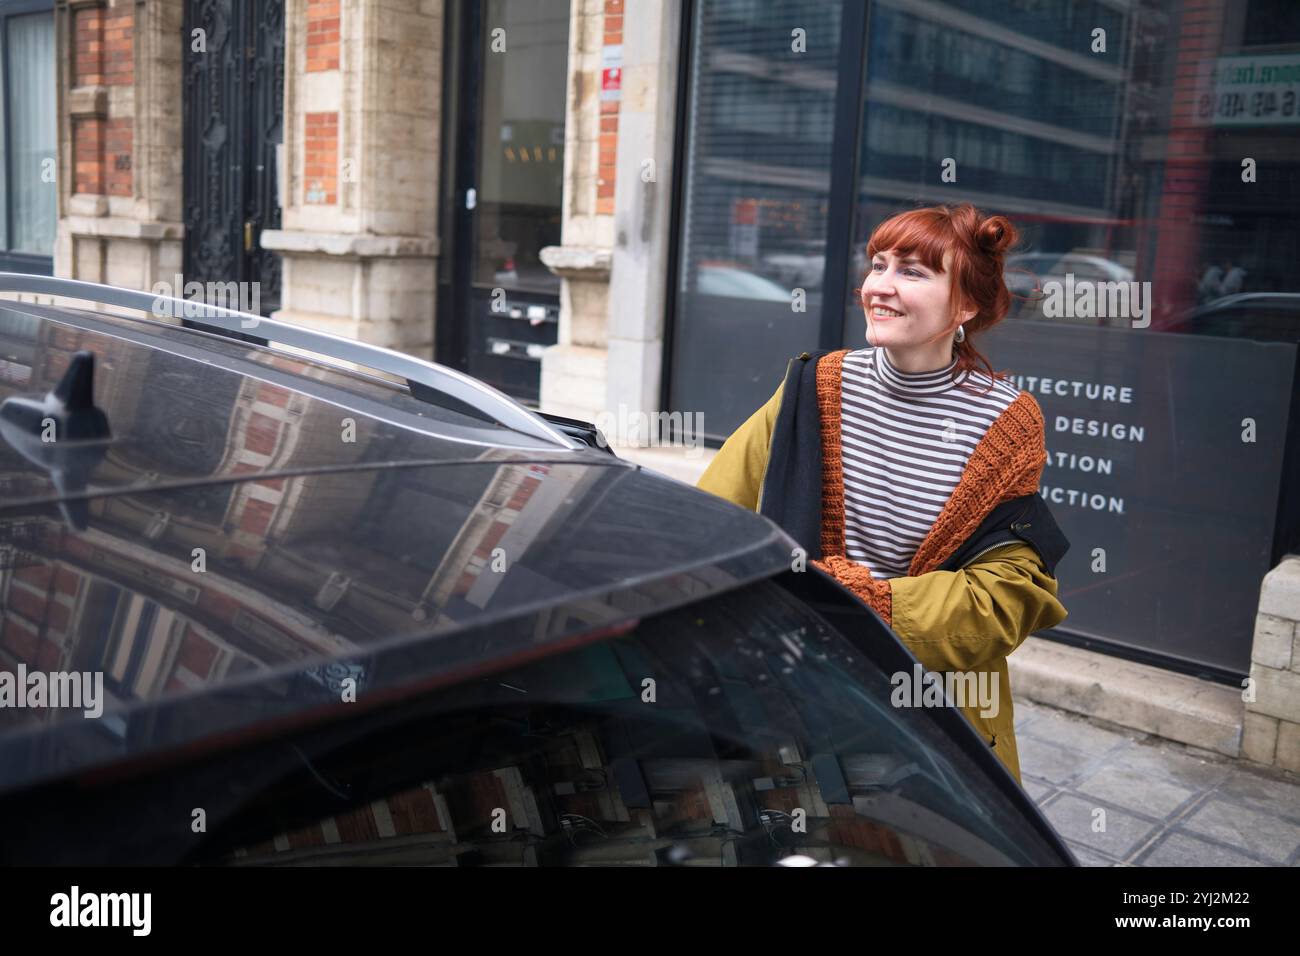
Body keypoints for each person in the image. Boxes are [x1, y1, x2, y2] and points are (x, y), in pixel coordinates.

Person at [695, 203, 1070, 784]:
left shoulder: (1006, 422)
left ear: (966, 304)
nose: (880, 287)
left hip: (925, 700)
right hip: (800, 680)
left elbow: (1006, 597)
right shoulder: (815, 385)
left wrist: (867, 603)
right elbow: (718, 514)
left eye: (913, 273)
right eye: (879, 265)